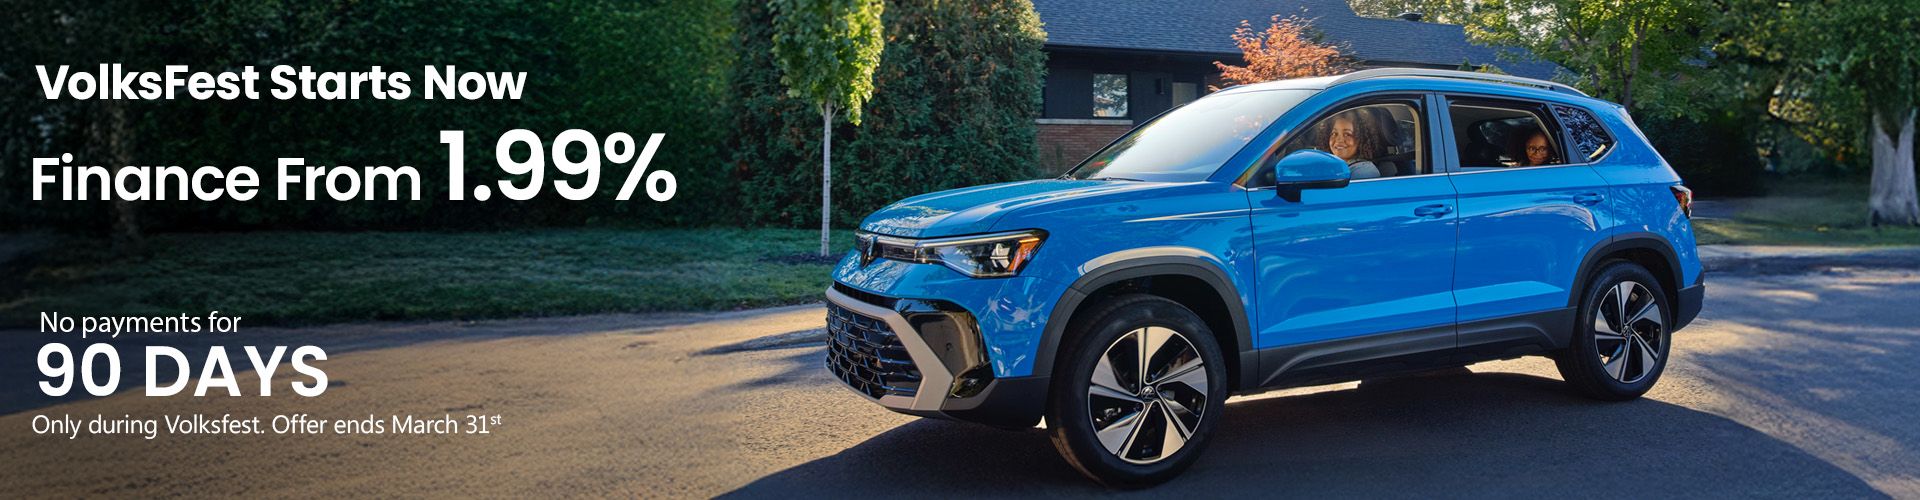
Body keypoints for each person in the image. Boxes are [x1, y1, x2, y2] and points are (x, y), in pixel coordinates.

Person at [1324, 111, 1381, 179]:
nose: (1339, 140)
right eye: (1334, 133)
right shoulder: (1337, 166)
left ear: (1362, 139)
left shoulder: (1364, 170)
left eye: (1347, 134)